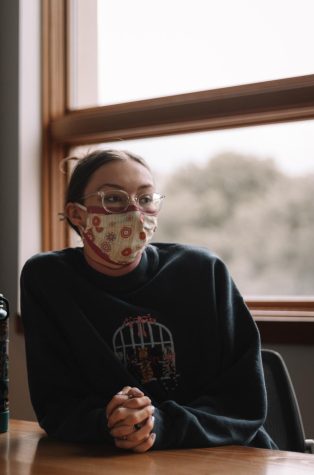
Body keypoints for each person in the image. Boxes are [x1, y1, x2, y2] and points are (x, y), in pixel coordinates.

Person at [20, 149, 277, 453]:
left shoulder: (203, 271)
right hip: (112, 458)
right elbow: (57, 404)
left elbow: (242, 403)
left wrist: (159, 424)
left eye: (145, 199)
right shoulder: (49, 279)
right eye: (113, 199)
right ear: (77, 214)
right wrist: (110, 423)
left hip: (222, 455)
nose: (133, 212)